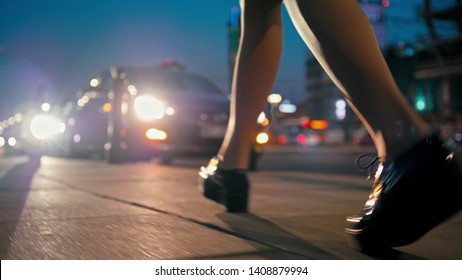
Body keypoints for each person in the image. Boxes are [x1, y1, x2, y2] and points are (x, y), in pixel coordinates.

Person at [198, 0, 461, 252]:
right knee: (258, 6)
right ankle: (230, 163)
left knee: (260, 11)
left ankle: (406, 144)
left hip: (416, 156)